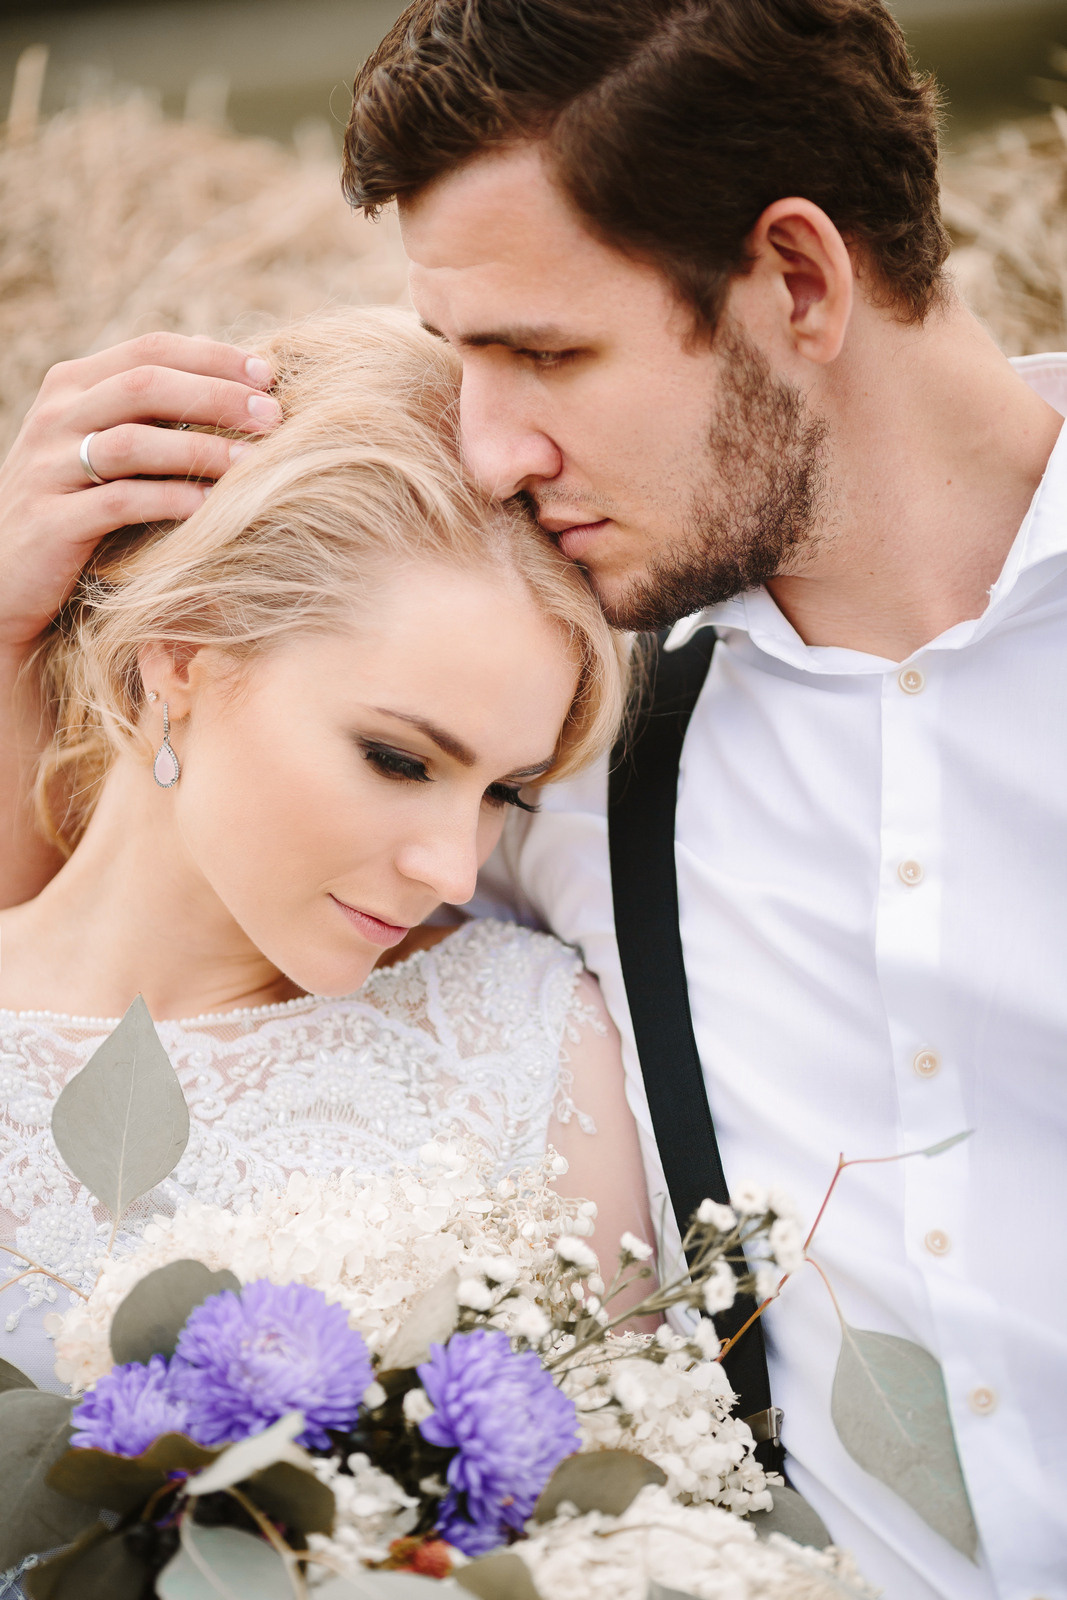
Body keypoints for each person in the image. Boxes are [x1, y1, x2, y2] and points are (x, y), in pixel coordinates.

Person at [0, 0, 1063, 1594]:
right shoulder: (560, 725)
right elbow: (124, 937)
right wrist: (22, 629)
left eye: (542, 353)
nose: (488, 451)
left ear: (795, 280)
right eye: (458, 360)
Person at [0, 306, 652, 1393]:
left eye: (502, 791)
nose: (454, 871)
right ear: (180, 655)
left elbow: (632, 1453)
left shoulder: (521, 1037)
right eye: (397, 759)